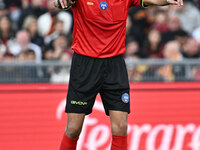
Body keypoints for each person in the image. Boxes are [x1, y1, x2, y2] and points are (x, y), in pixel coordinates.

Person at [55, 0, 184, 149]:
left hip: (114, 65)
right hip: (85, 65)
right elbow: (58, 3)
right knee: (73, 128)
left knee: (121, 126)